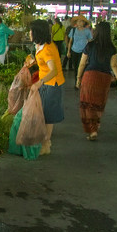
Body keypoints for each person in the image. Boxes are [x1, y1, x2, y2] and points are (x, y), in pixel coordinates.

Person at [76, 21, 117, 141]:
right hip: (104, 78)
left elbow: (82, 64)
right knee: (98, 103)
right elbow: (114, 65)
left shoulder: (90, 45)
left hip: (90, 76)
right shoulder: (111, 48)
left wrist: (78, 78)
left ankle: (93, 130)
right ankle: (96, 124)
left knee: (88, 103)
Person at [29, 19, 65, 155]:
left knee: (48, 115)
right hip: (46, 83)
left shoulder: (47, 50)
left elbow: (53, 71)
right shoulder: (41, 46)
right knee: (44, 113)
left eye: (31, 30)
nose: (29, 33)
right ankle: (45, 142)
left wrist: (39, 83)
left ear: (37, 32)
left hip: (52, 84)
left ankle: (46, 144)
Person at [67, 15, 92, 87]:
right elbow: (70, 42)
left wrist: (89, 53)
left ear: (84, 23)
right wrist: (68, 51)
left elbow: (90, 42)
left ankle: (81, 82)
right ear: (76, 22)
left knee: (82, 67)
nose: (80, 23)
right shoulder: (73, 30)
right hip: (74, 51)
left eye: (81, 21)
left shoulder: (87, 31)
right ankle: (77, 82)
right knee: (76, 67)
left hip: (84, 52)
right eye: (78, 21)